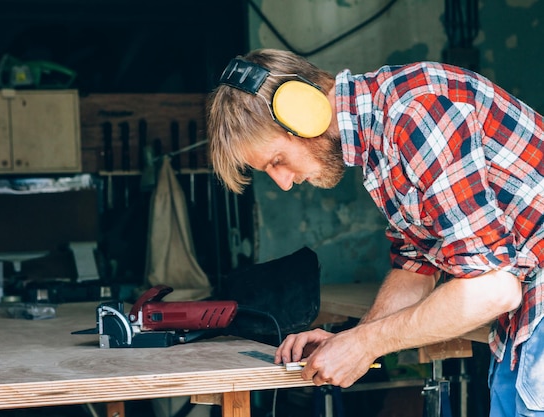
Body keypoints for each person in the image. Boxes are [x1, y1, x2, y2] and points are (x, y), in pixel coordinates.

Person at [206, 48, 544, 417]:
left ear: (305, 111)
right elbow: (416, 269)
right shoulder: (383, 142)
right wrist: (351, 339)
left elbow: (493, 289)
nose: (284, 182)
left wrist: (366, 344)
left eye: (277, 161)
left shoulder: (418, 114)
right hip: (523, 323)